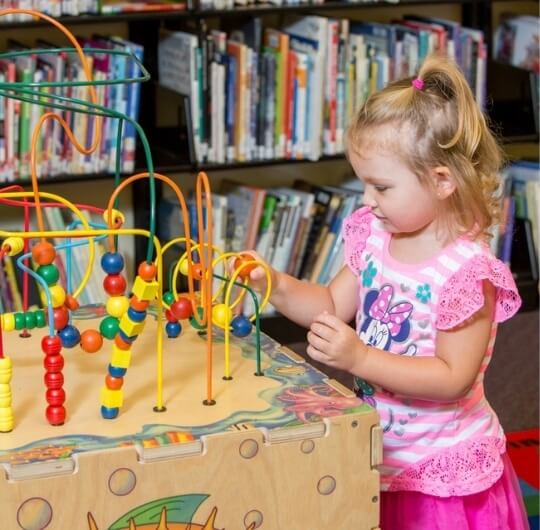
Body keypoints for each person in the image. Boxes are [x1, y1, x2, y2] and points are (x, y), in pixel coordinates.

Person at [240, 54, 529, 530]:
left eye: (382, 187)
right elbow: (331, 305)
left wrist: (360, 360)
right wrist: (273, 283)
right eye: (364, 184)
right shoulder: (373, 238)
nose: (367, 201)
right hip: (376, 451)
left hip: (441, 479)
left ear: (440, 181)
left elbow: (452, 377)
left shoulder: (466, 274)